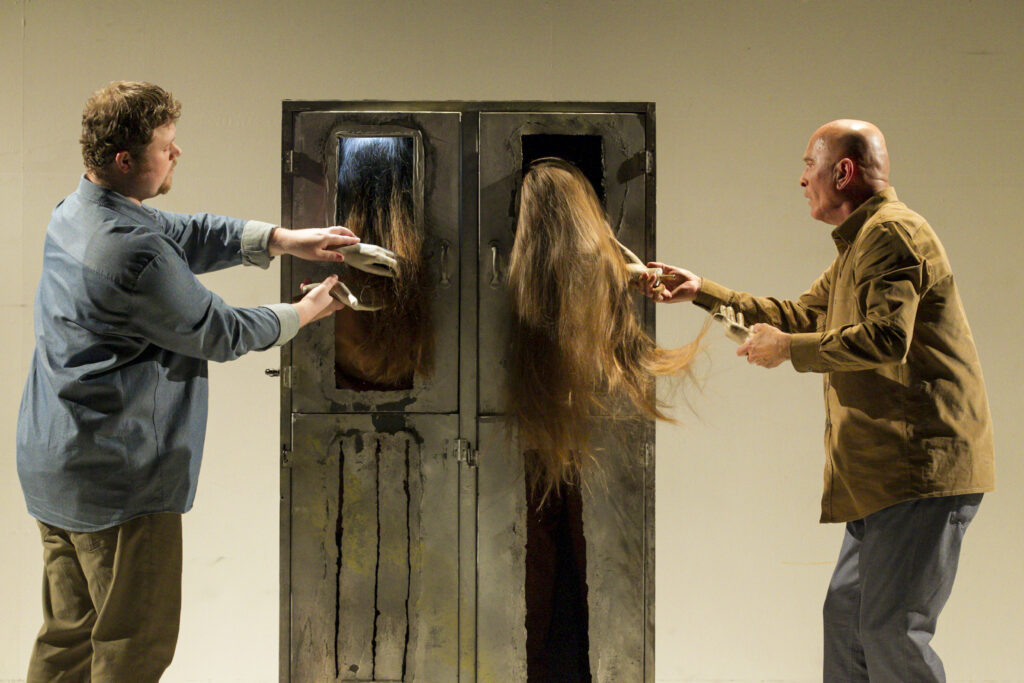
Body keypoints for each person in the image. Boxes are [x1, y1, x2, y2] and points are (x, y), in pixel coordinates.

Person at [16, 81, 356, 681]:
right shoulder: (132, 252)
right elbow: (218, 330)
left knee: (68, 640)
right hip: (118, 484)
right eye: (166, 146)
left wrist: (281, 240)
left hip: (57, 465)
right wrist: (304, 314)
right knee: (131, 649)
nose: (177, 155)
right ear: (126, 159)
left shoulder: (76, 213)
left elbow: (181, 232)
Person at [644, 120, 994, 681]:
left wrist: (789, 350)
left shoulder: (893, 234)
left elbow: (886, 339)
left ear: (843, 171)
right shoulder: (863, 240)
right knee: (847, 623)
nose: (801, 179)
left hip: (919, 474)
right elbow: (801, 316)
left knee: (888, 631)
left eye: (809, 165)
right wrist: (700, 291)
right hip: (883, 478)